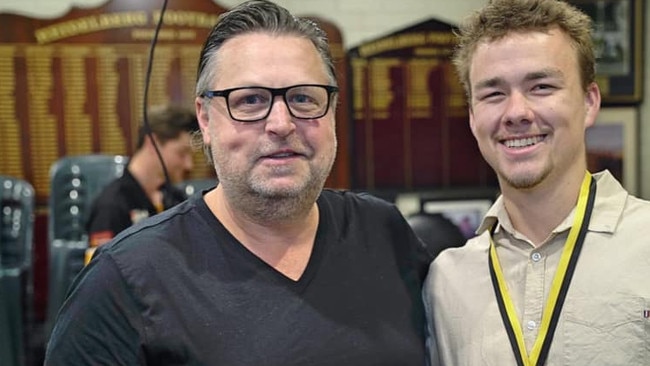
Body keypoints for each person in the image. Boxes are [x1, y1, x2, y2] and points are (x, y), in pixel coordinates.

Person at [44, 1, 433, 364]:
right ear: (205, 119)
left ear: (331, 111)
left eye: (303, 98)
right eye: (249, 100)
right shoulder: (124, 280)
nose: (281, 123)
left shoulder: (385, 234)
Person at [423, 1, 650, 365]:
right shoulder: (446, 282)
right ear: (472, 116)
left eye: (541, 86)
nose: (516, 113)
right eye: (493, 93)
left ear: (589, 102)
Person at [84, 105, 198, 262]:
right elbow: (100, 276)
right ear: (153, 143)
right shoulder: (112, 205)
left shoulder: (176, 199)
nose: (188, 165)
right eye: (182, 153)